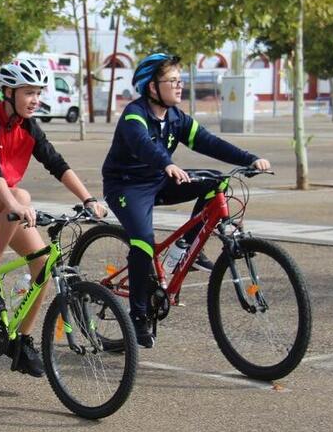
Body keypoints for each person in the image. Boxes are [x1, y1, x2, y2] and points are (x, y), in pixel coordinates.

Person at [102, 53, 270, 348]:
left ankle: (184, 247)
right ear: (152, 87)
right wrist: (165, 162)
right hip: (127, 187)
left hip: (160, 179)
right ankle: (138, 315)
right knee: (142, 241)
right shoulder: (134, 115)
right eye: (173, 81)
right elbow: (143, 145)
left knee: (215, 183)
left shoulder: (177, 118)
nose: (180, 86)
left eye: (181, 80)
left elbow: (210, 142)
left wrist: (250, 159)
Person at [0, 58, 107, 377]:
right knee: (20, 195)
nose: (35, 99)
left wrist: (88, 199)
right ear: (8, 92)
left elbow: (57, 164)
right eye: (28, 92)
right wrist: (15, 203)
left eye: (38, 92)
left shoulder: (30, 128)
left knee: (42, 265)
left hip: (7, 205)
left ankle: (22, 342)